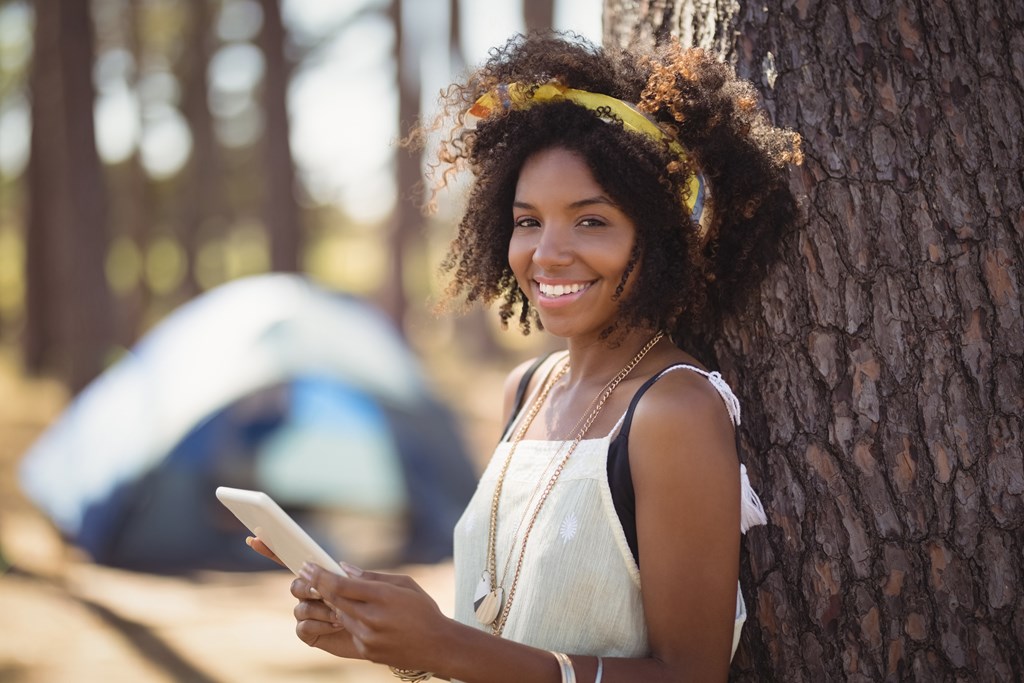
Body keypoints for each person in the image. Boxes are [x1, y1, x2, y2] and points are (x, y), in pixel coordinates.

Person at [249, 31, 801, 682]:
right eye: (528, 220)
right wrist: (398, 637)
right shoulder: (527, 388)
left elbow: (688, 674)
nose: (547, 253)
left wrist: (444, 646)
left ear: (661, 240)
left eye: (591, 220)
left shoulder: (673, 410)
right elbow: (507, 627)